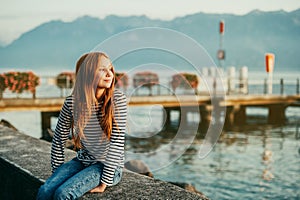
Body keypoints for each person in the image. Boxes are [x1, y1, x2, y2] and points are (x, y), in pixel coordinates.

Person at [37, 52, 127, 199]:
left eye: (110, 69)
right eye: (102, 69)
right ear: (87, 73)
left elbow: (117, 142)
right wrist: (58, 172)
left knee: (63, 193)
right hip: (82, 160)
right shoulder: (72, 103)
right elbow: (59, 139)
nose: (109, 74)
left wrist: (104, 182)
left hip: (107, 166)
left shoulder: (117, 100)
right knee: (46, 190)